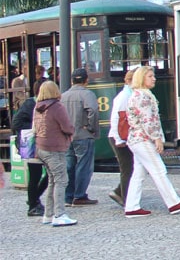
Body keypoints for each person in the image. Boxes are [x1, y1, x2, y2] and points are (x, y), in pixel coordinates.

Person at [124, 66, 180, 217]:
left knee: (138, 174)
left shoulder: (136, 95)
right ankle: (173, 203)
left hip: (135, 139)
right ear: (142, 78)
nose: (154, 78)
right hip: (143, 139)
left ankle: (132, 206)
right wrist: (157, 139)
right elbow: (148, 120)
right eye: (150, 76)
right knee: (159, 170)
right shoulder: (143, 96)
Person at [33, 81, 77, 226]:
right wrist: (71, 132)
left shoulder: (38, 107)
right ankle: (59, 214)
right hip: (55, 148)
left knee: (52, 180)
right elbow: (67, 127)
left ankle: (48, 214)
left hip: (41, 147)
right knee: (61, 180)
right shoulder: (57, 107)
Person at [61, 67, 99, 206]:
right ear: (86, 80)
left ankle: (68, 195)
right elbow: (93, 111)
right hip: (83, 134)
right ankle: (80, 195)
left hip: (68, 136)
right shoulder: (87, 94)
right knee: (84, 165)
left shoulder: (64, 96)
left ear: (72, 80)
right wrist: (91, 128)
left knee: (69, 166)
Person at [11, 93, 49, 216]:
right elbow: (16, 123)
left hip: (42, 143)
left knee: (50, 174)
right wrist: (33, 128)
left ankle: (34, 200)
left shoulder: (47, 105)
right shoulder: (30, 104)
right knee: (35, 175)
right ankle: (33, 204)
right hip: (32, 144)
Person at [108, 69, 136, 207]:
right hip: (119, 137)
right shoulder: (124, 96)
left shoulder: (129, 94)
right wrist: (119, 139)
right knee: (127, 168)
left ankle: (120, 192)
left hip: (123, 136)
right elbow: (117, 118)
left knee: (130, 167)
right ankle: (126, 198)